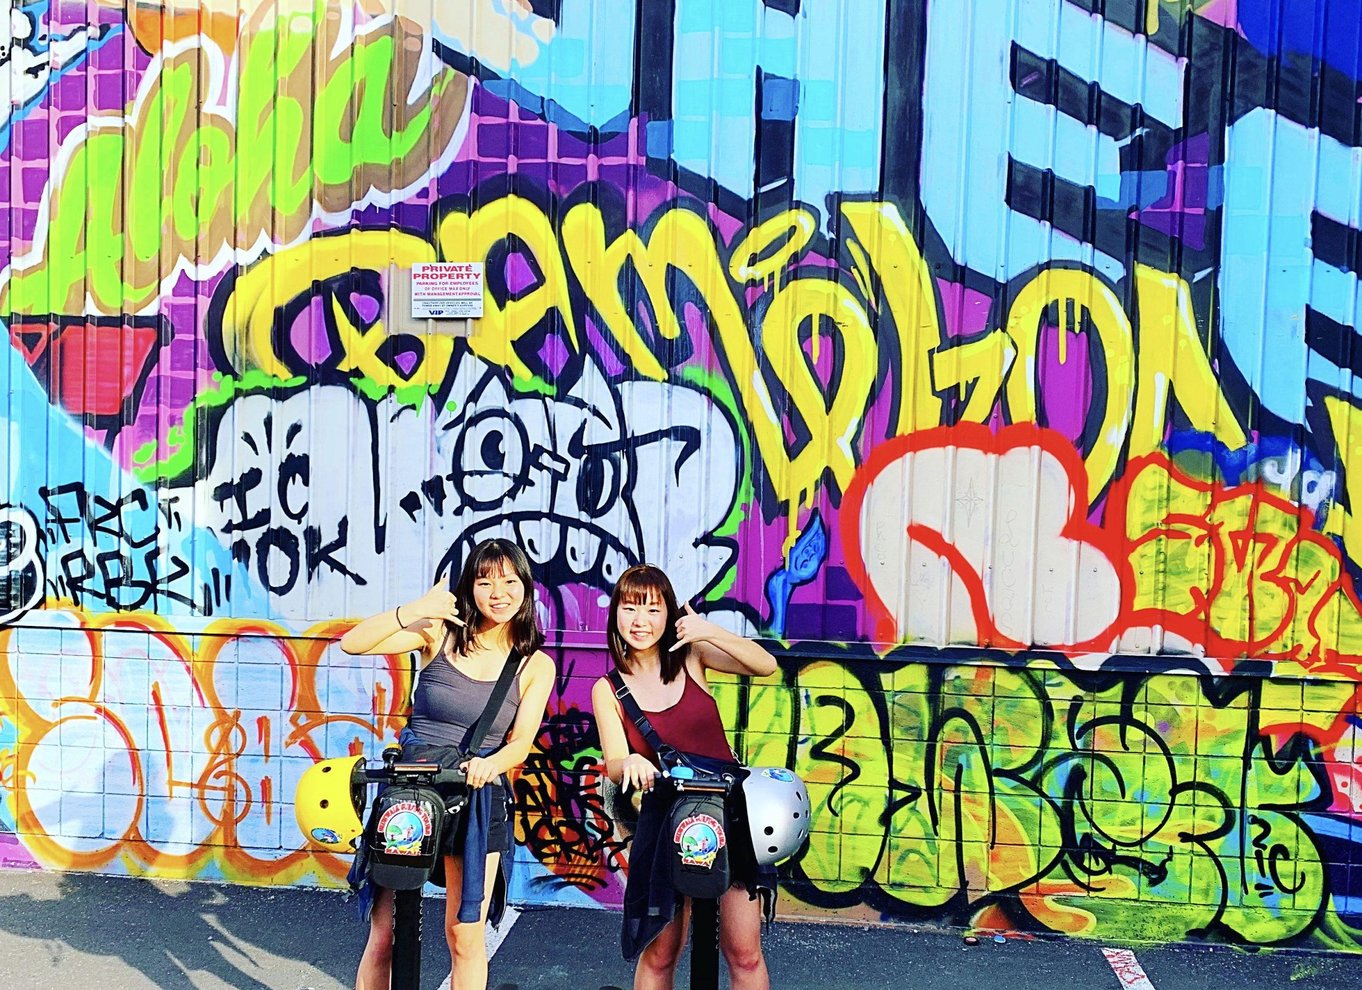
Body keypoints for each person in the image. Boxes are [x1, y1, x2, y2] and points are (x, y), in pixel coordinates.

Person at [340, 538, 554, 990]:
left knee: (464, 936)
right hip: (410, 793)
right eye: (485, 581)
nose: (498, 592)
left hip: (475, 796)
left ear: (525, 587)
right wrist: (416, 609)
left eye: (509, 581)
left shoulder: (535, 664)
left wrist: (491, 764)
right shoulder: (438, 634)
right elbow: (352, 643)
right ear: (469, 588)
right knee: (385, 934)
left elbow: (520, 743)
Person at [591, 564, 779, 990]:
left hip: (729, 811)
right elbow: (615, 761)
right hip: (664, 820)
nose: (640, 620)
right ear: (615, 614)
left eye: (652, 609)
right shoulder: (608, 688)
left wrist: (709, 631)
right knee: (660, 952)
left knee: (745, 952)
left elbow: (765, 665)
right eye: (630, 608)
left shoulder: (692, 656)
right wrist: (631, 763)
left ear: (669, 614)